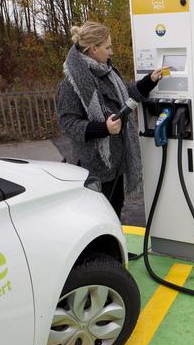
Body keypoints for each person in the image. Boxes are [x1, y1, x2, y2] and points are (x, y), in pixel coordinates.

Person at [57, 21, 163, 218]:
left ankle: (111, 248)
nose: (111, 52)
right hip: (94, 168)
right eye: (107, 47)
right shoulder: (72, 84)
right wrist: (103, 128)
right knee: (98, 218)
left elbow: (124, 96)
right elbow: (68, 123)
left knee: (114, 212)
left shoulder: (108, 73)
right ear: (93, 49)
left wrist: (149, 82)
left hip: (116, 164)